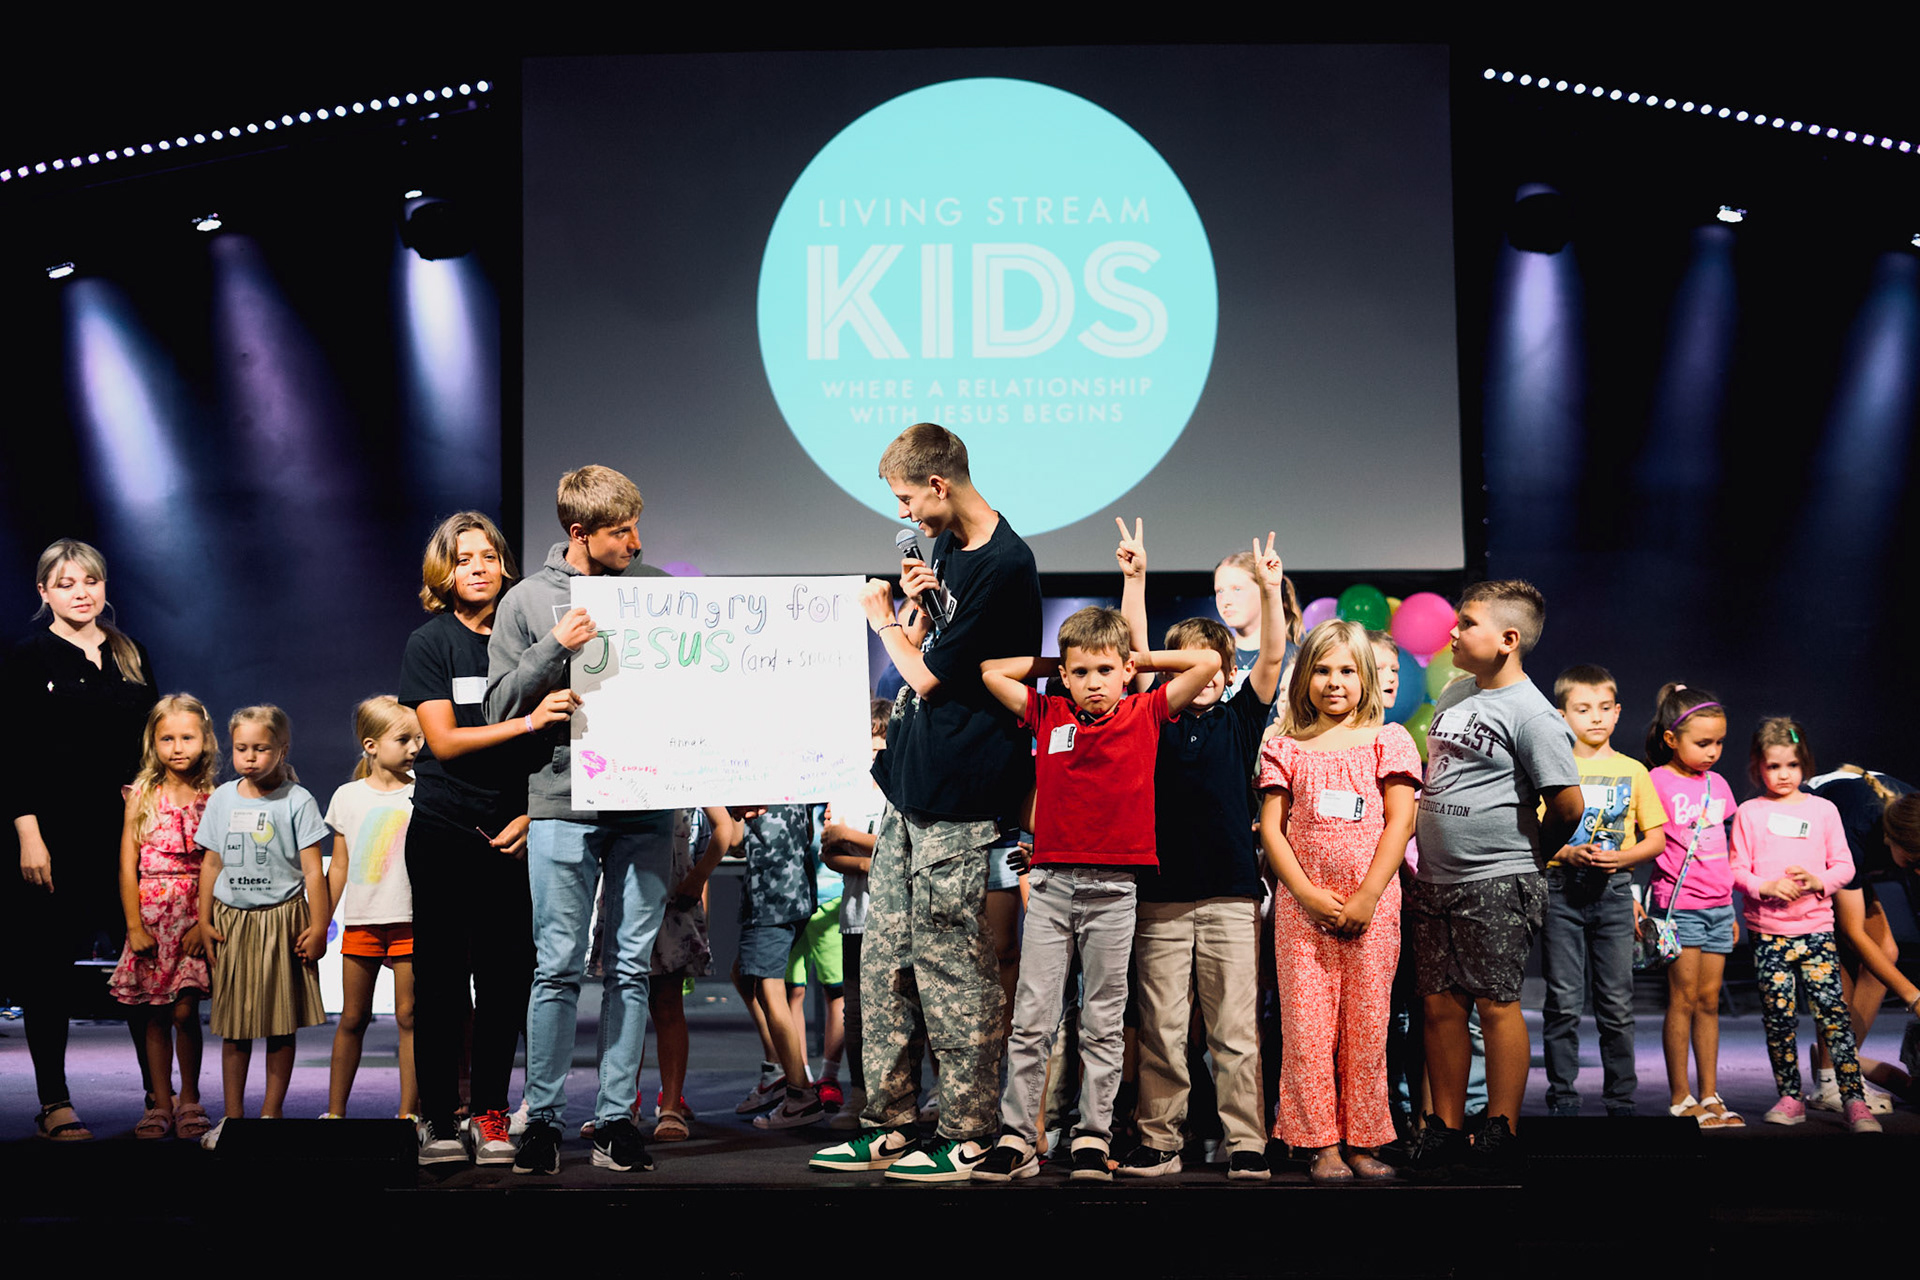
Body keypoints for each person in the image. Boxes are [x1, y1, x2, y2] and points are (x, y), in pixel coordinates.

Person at [810, 423, 1041, 1182]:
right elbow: (939, 647)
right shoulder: (947, 551)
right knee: (886, 966)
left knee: (952, 967)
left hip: (961, 791)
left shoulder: (1006, 563)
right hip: (910, 786)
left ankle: (969, 1128)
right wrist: (921, 607)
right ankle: (890, 1122)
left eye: (908, 499)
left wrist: (882, 618)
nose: (905, 515)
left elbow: (931, 678)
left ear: (939, 484)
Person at [970, 606, 1220, 1183]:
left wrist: (1135, 658)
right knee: (1032, 1019)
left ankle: (1091, 1136)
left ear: (1126, 671)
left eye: (1106, 670)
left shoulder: (1145, 710)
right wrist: (1061, 663)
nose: (1093, 683)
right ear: (1064, 676)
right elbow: (990, 671)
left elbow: (1207, 661)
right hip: (1052, 887)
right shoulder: (1049, 712)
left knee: (1103, 1022)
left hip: (1114, 891)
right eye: (1081, 673)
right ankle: (1017, 1137)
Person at [488, 465, 676, 1176]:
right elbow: (497, 706)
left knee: (631, 967)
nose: (635, 541)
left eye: (635, 526)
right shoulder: (527, 601)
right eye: (620, 531)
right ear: (579, 532)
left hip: (647, 799)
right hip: (565, 802)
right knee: (558, 965)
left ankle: (617, 1119)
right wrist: (553, 649)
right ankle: (541, 1120)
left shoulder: (656, 591)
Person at [1114, 524, 1283, 1181]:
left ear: (1228, 670)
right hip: (1159, 897)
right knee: (1161, 1030)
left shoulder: (1240, 720)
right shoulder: (1148, 719)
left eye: (1210, 664)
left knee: (1234, 1031)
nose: (1200, 674)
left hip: (1229, 897)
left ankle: (1246, 1142)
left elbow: (1273, 657)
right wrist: (1135, 581)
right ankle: (1161, 1140)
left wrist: (1270, 591)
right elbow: (1133, 653)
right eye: (1182, 663)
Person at [1403, 581, 1582, 1179]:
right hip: (1437, 879)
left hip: (1497, 881)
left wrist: (1528, 858)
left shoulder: (1533, 714)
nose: (1452, 632)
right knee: (1439, 1005)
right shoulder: (1457, 691)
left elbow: (1568, 805)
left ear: (1508, 639)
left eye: (1467, 623)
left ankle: (1501, 1126)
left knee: (1496, 1003)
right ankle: (1446, 1127)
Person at [399, 511, 548, 1164]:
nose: (479, 568)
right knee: (439, 982)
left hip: (513, 831)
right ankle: (438, 1117)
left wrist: (532, 815)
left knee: (506, 979)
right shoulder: (430, 642)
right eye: (464, 559)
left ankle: (490, 1112)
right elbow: (444, 742)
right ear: (445, 571)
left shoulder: (531, 639)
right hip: (442, 829)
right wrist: (526, 723)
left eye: (488, 556)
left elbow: (558, 744)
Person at [5, 539, 160, 1140]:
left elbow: (154, 744)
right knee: (47, 968)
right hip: (54, 835)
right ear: (44, 592)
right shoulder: (26, 656)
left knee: (142, 964)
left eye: (90, 581)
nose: (81, 592)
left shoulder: (131, 653)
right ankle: (54, 1102)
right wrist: (27, 832)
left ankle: (159, 1097)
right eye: (66, 583)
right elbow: (11, 749)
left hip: (128, 838)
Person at [1259, 619, 1421, 1182]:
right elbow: (1272, 830)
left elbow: (1400, 822)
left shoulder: (1388, 740)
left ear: (1366, 677)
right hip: (1302, 917)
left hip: (1371, 913)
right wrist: (1305, 894)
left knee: (1368, 1029)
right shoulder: (1285, 747)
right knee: (1307, 1031)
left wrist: (1368, 896)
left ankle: (1362, 1139)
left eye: (1347, 671)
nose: (1334, 682)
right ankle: (1319, 1142)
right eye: (1323, 670)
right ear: (1305, 676)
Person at [1728, 718, 1879, 1132]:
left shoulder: (1823, 810)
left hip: (1816, 932)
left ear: (1805, 764)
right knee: (1779, 1019)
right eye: (1773, 766)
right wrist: (1765, 886)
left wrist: (1818, 881)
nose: (1783, 774)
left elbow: (1844, 865)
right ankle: (1790, 1096)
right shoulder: (1749, 813)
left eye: (1792, 765)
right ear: (1758, 767)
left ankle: (1853, 1098)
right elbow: (1737, 869)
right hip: (1769, 934)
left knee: (1834, 1016)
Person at [194, 705, 329, 1149]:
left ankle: (271, 1115)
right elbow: (210, 863)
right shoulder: (222, 798)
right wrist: (203, 920)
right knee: (234, 1027)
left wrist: (319, 925)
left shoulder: (297, 800)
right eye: (241, 748)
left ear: (282, 750)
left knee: (280, 1023)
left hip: (281, 920)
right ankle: (234, 1120)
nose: (250, 757)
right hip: (233, 921)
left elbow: (313, 871)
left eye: (261, 748)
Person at [1538, 665, 1668, 1117]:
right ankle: (1563, 1099)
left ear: (1617, 712)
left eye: (1604, 707)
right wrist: (1566, 853)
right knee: (1563, 1001)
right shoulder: (1554, 771)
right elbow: (1537, 834)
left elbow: (1655, 839)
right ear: (1562, 716)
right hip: (1561, 891)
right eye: (1583, 709)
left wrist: (1622, 858)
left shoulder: (1633, 771)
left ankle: (1620, 1100)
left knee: (1616, 1002)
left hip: (1613, 892)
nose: (1595, 717)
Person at [109, 694, 219, 1141]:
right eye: (167, 739)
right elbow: (127, 864)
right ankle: (160, 1100)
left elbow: (217, 865)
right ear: (153, 743)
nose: (177, 747)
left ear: (205, 739)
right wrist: (134, 926)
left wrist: (202, 923)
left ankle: (190, 1098)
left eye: (187, 737)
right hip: (152, 918)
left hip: (193, 915)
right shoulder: (141, 795)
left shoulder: (214, 798)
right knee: (154, 1013)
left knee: (185, 1010)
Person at [319, 696, 422, 1122]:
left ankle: (408, 1115)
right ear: (371, 745)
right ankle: (335, 1113)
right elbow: (339, 865)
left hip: (411, 921)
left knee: (409, 1016)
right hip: (363, 922)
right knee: (352, 1016)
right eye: (404, 739)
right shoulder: (347, 797)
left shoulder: (422, 791)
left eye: (419, 738)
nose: (415, 747)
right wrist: (320, 921)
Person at [1645, 683, 1743, 1129]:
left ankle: (1710, 1094)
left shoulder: (1718, 784)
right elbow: (1647, 839)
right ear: (1671, 739)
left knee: (1709, 1001)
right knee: (1682, 999)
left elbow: (1722, 847)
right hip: (1679, 907)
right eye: (1703, 743)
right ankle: (1680, 1096)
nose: (1713, 752)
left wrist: (1731, 908)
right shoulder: (1656, 781)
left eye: (1719, 743)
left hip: (1719, 907)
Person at [1803, 764, 1917, 1112]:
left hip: (1854, 843)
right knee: (1846, 957)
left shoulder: (1911, 820)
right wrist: (1915, 998)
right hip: (1806, 849)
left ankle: (1842, 1071)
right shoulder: (1856, 829)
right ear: (1891, 840)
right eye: (1913, 862)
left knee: (1884, 951)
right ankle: (1830, 1082)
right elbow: (1852, 933)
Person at [730, 804, 827, 1130]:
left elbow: (732, 840)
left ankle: (800, 1094)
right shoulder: (793, 779)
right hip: (796, 890)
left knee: (770, 990)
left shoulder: (745, 782)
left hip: (770, 895)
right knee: (744, 975)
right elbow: (808, 832)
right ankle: (777, 1071)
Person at [821, 700, 889, 1129]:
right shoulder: (847, 789)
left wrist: (850, 837)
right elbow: (829, 853)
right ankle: (860, 1095)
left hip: (896, 917)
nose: (874, 755)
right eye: (868, 746)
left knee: (901, 1010)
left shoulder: (900, 788)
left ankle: (900, 1095)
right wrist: (869, 861)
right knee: (857, 1013)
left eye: (881, 746)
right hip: (856, 918)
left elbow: (899, 845)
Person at [1212, 547, 1302, 701]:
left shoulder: (1295, 657)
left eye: (1237, 589)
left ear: (1263, 589)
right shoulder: (1212, 656)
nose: (1226, 601)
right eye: (1219, 591)